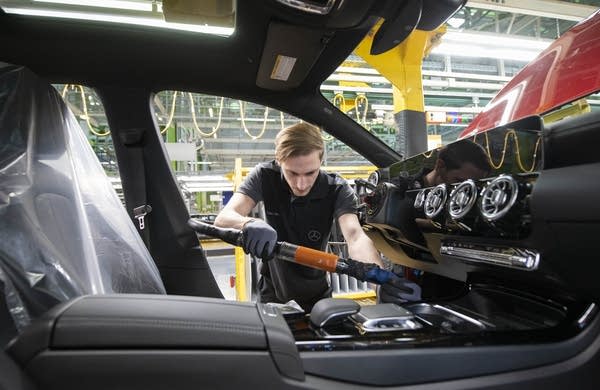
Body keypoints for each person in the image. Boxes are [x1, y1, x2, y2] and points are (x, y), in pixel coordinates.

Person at [214, 122, 418, 311]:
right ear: (279, 161)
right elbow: (224, 218)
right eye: (292, 173)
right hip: (272, 294)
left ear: (321, 161)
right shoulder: (264, 176)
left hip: (317, 295)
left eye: (310, 173)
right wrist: (250, 222)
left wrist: (380, 282)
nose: (301, 184)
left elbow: (355, 237)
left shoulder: (336, 188)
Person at [380, 139, 492, 304]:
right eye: (459, 182)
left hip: (456, 289)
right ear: (440, 166)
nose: (465, 193)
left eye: (474, 186)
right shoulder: (403, 193)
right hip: (406, 285)